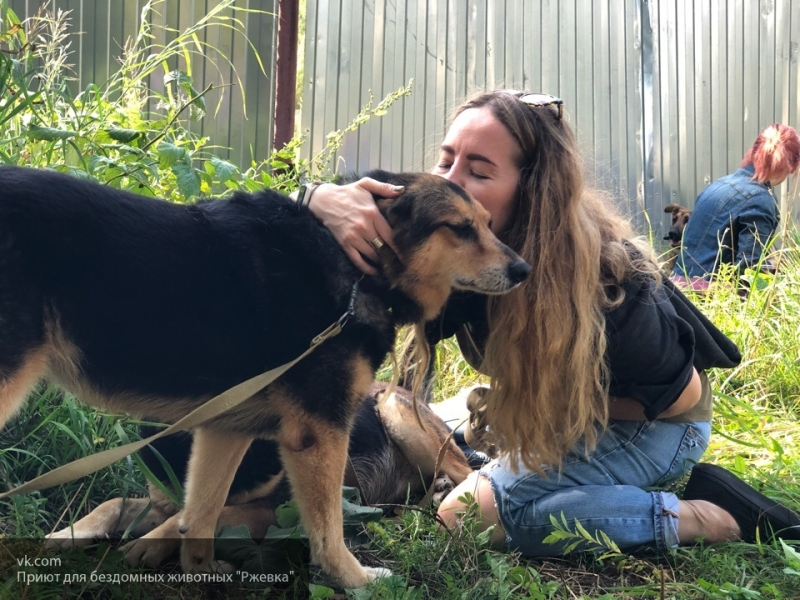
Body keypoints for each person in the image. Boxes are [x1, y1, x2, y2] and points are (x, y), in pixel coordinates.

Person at [300, 90, 800, 556]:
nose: (449, 181)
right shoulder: (456, 246)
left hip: (656, 426)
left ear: (531, 189)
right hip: (553, 408)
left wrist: (533, 412)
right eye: (446, 158)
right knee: (437, 431)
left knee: (462, 516)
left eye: (478, 170)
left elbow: (679, 397)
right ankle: (529, 479)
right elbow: (358, 210)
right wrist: (317, 198)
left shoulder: (605, 286)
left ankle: (704, 516)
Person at [672, 124, 800, 290]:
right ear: (789, 165)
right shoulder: (761, 200)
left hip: (676, 290)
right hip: (708, 296)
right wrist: (778, 290)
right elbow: (748, 270)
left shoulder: (718, 185)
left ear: (755, 152)